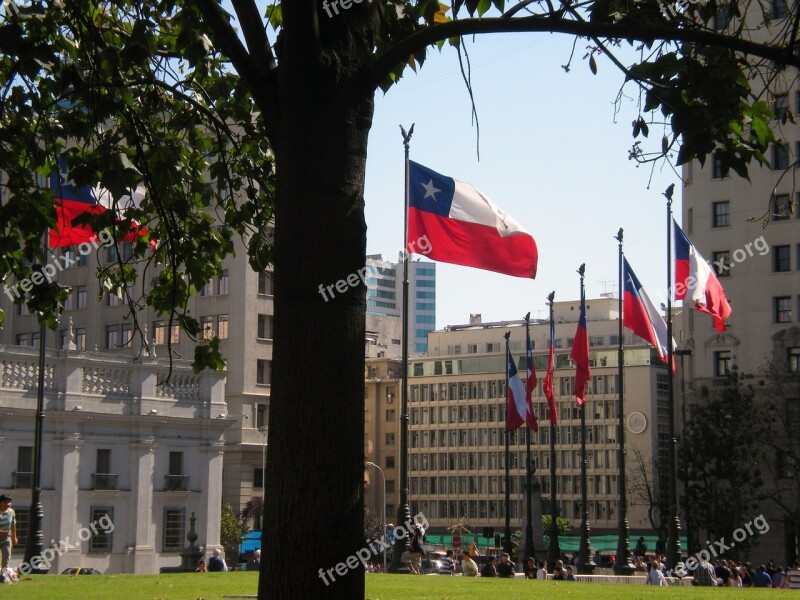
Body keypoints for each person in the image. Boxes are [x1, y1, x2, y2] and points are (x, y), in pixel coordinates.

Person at [0, 495, 17, 571]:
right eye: (5, 502)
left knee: (6, 556)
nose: (7, 504)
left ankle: (3, 574)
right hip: (2, 534)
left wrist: (14, 538)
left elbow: (13, 525)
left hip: (6, 538)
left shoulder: (11, 512)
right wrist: (2, 532)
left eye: (9, 502)